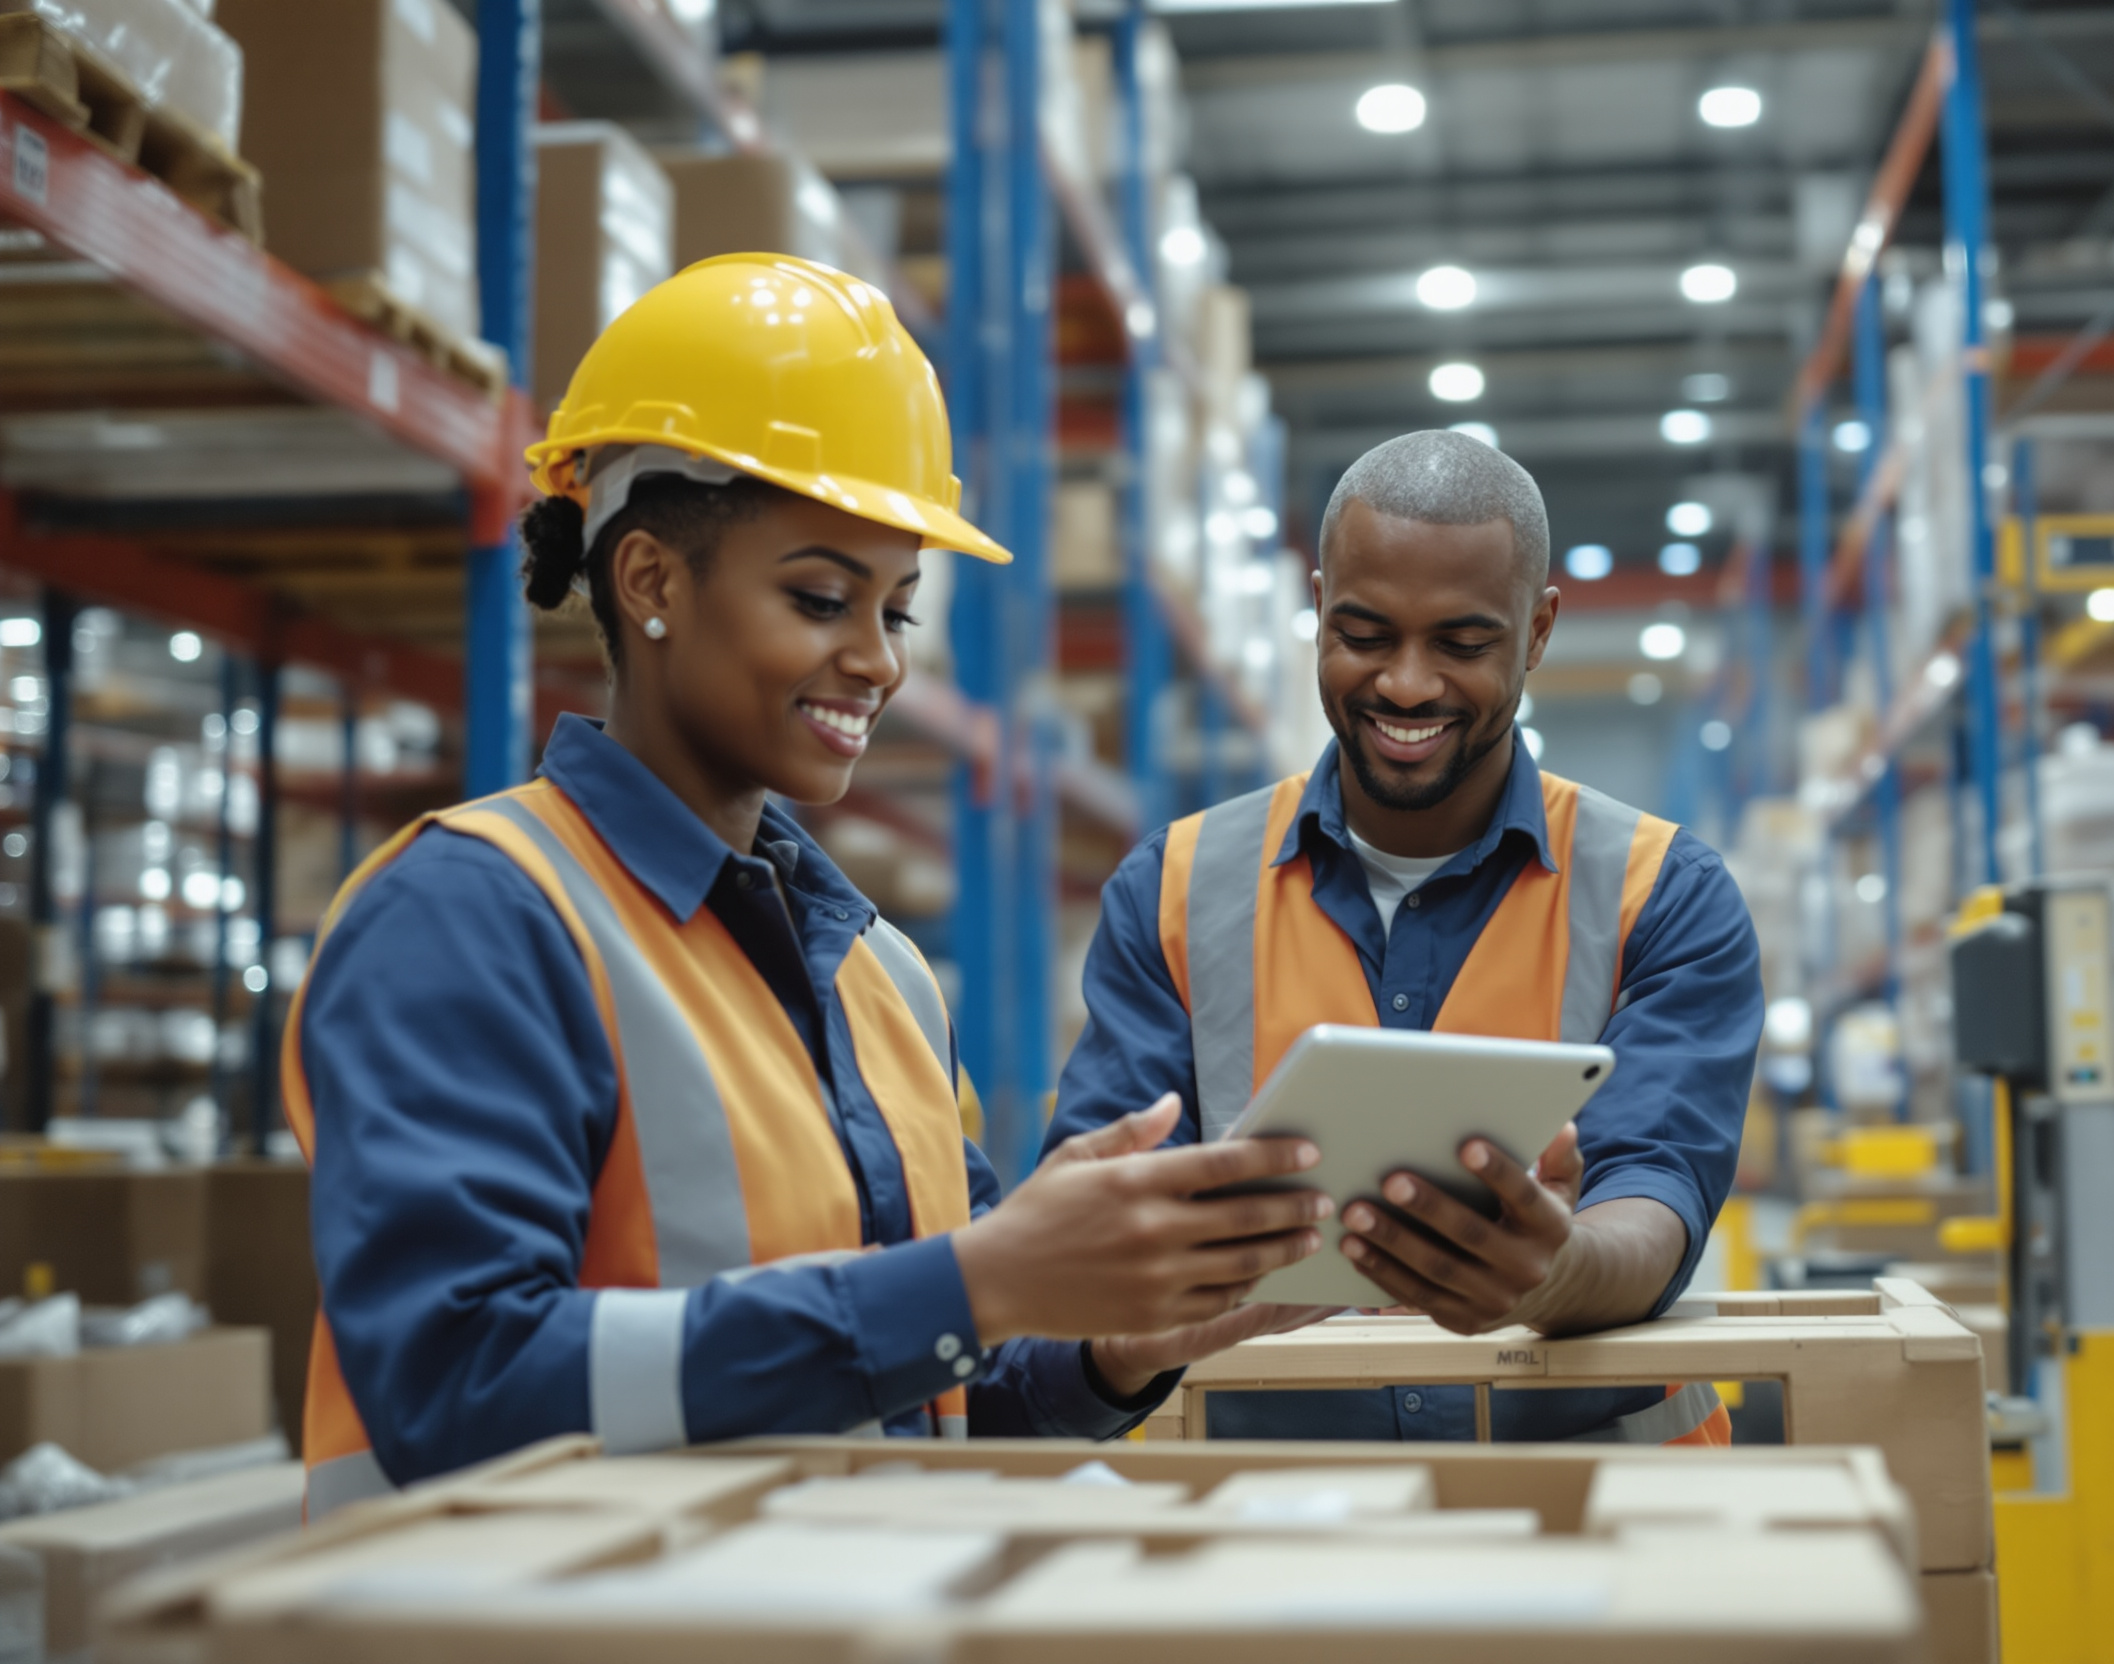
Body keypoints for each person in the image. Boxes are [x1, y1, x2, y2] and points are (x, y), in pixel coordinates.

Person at [283, 255, 1334, 1519]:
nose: (878, 661)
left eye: (898, 611)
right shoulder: (473, 916)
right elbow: (454, 1383)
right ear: (651, 581)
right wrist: (975, 1283)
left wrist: (1118, 1341)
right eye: (822, 597)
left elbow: (934, 1394)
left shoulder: (881, 975)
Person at [1051, 430, 1765, 1442]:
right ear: (1317, 609)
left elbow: (1655, 1188)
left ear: (1538, 630)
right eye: (1364, 634)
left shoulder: (1662, 895)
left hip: (1597, 1509)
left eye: (1463, 644)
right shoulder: (1173, 889)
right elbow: (1105, 1227)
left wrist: (1556, 1270)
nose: (1407, 684)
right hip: (1262, 1513)